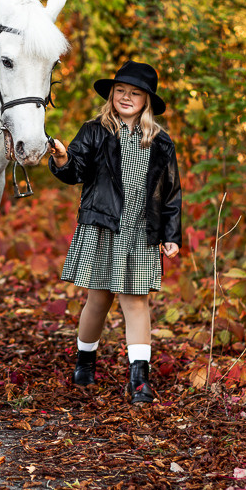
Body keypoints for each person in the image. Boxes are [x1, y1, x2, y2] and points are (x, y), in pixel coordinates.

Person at [48, 61, 182, 403]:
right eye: (120, 90)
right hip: (104, 226)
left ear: (146, 100)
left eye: (135, 93)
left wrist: (171, 235)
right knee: (99, 299)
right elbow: (76, 170)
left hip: (141, 231)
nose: (126, 97)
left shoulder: (161, 142)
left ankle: (139, 379)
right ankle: (85, 362)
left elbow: (170, 193)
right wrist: (63, 159)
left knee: (136, 301)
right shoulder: (95, 131)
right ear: (111, 95)